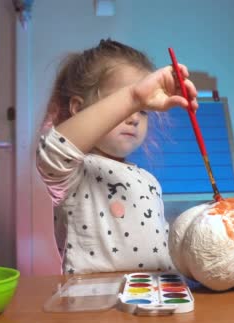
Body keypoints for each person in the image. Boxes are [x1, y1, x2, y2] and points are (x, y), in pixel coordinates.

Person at [36, 39, 198, 275]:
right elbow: (53, 149)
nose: (134, 117)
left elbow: (162, 252)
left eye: (142, 110)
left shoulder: (148, 181)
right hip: (95, 300)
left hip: (151, 297)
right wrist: (133, 96)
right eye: (124, 105)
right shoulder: (76, 173)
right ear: (79, 109)